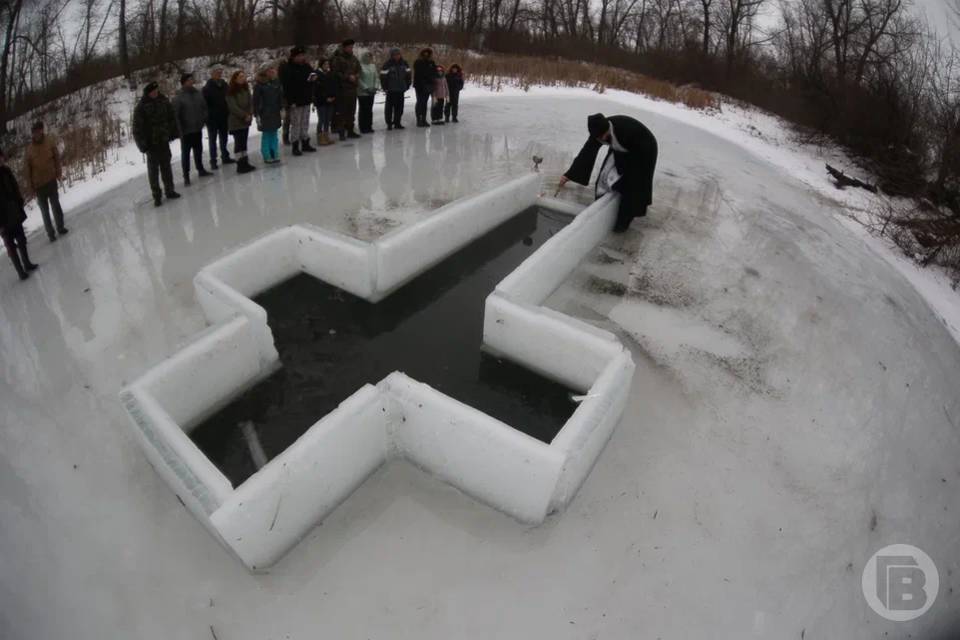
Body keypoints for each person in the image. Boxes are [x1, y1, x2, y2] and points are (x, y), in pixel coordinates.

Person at [558, 113, 659, 233]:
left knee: (632, 187)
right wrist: (569, 174)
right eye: (599, 138)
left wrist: (624, 176)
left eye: (603, 137)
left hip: (643, 150)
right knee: (604, 177)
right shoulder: (598, 129)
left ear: (608, 129)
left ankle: (623, 222)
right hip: (621, 147)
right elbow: (587, 152)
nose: (601, 140)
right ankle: (600, 206)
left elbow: (632, 171)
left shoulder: (626, 131)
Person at [133, 81, 182, 207]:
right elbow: (137, 129)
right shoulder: (141, 106)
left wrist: (174, 132)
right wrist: (142, 144)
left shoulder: (163, 101)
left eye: (156, 90)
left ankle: (169, 190)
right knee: (153, 171)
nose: (155, 93)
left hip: (164, 141)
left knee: (166, 167)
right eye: (153, 91)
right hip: (151, 144)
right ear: (148, 93)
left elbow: (172, 118)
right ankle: (157, 195)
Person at [24, 120, 68, 240]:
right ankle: (50, 234)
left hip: (51, 181)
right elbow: (27, 171)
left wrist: (58, 173)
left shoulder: (49, 142)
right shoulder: (29, 150)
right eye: (34, 133)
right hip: (39, 186)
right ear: (32, 134)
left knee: (56, 206)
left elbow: (56, 158)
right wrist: (31, 188)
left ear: (42, 131)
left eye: (39, 131)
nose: (37, 134)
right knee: (45, 212)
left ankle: (60, 227)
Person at [0, 148, 38, 280]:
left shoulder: (6, 171)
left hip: (14, 212)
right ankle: (20, 271)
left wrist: (19, 200)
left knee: (21, 239)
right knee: (11, 246)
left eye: (1, 157)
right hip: (2, 219)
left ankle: (27, 263)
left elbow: (15, 187)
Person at [173, 72, 213, 184]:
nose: (191, 81)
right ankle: (186, 175)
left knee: (198, 151)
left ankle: (200, 169)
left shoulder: (198, 93)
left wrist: (203, 119)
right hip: (186, 131)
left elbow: (204, 107)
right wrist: (179, 130)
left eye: (192, 79)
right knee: (185, 154)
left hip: (197, 128)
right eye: (189, 80)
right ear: (184, 82)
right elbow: (175, 115)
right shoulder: (178, 97)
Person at [280, 46, 317, 156]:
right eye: (299, 56)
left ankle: (305, 141)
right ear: (294, 57)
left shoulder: (306, 66)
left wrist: (313, 79)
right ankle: (295, 144)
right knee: (296, 123)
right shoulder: (288, 68)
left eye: (303, 55)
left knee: (305, 122)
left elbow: (312, 75)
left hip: (306, 98)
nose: (302, 57)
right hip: (295, 100)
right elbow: (286, 86)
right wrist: (290, 101)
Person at [202, 67, 235, 168]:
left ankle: (225, 156)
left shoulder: (225, 85)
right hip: (212, 118)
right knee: (213, 139)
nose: (219, 74)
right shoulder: (207, 88)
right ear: (212, 74)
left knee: (224, 137)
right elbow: (204, 105)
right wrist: (206, 116)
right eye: (217, 72)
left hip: (223, 115)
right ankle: (213, 160)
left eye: (220, 72)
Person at [226, 70, 257, 174]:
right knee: (238, 144)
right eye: (240, 77)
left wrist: (250, 113)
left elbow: (251, 102)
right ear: (235, 79)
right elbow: (233, 107)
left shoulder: (246, 90)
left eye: (243, 76)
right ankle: (240, 164)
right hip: (236, 121)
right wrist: (244, 115)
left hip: (245, 121)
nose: (243, 78)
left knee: (244, 143)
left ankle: (245, 162)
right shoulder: (231, 92)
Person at [330, 39, 362, 140]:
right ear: (344, 47)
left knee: (351, 111)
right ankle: (341, 131)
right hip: (342, 89)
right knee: (342, 112)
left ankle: (350, 130)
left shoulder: (353, 58)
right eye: (349, 47)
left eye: (352, 47)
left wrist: (356, 76)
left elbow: (359, 69)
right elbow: (335, 72)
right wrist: (347, 77)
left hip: (352, 89)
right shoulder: (338, 59)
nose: (351, 49)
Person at [253, 63, 283, 164]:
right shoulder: (259, 85)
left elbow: (280, 97)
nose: (271, 71)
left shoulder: (276, 82)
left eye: (272, 69)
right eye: (269, 70)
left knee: (274, 133)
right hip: (264, 113)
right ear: (265, 72)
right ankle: (266, 154)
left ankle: (274, 152)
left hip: (275, 112)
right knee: (266, 134)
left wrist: (282, 108)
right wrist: (257, 114)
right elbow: (256, 100)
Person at [380, 47, 410, 130]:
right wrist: (385, 87)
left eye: (398, 54)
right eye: (395, 55)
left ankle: (397, 122)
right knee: (389, 108)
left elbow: (408, 75)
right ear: (392, 55)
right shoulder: (387, 64)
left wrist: (407, 85)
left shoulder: (404, 63)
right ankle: (389, 123)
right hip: (391, 89)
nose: (397, 56)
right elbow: (383, 77)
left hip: (401, 89)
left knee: (400, 108)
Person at [312, 58, 338, 146]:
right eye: (325, 64)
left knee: (328, 119)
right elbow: (315, 89)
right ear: (321, 65)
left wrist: (333, 96)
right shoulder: (316, 74)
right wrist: (324, 98)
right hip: (321, 101)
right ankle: (320, 137)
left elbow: (334, 85)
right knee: (322, 119)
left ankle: (326, 136)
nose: (327, 66)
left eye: (328, 64)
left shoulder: (330, 74)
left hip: (330, 99)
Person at [413, 48, 437, 127]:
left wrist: (432, 81)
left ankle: (423, 119)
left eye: (428, 53)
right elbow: (419, 74)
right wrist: (426, 79)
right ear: (422, 54)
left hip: (428, 86)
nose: (426, 55)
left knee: (425, 103)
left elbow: (434, 73)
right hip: (419, 86)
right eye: (425, 53)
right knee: (420, 102)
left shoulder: (432, 62)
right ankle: (419, 120)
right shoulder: (418, 62)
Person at [357, 52, 378, 134]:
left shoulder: (373, 66)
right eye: (368, 57)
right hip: (362, 92)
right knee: (363, 110)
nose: (369, 58)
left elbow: (376, 77)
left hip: (371, 92)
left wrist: (376, 87)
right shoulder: (360, 66)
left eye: (370, 57)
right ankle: (363, 127)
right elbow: (358, 79)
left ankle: (369, 126)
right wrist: (366, 88)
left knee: (369, 110)